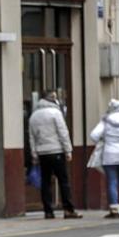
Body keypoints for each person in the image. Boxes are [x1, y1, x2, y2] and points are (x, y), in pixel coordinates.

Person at [27, 91, 81, 219]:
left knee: (45, 182)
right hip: (56, 151)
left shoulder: (34, 116)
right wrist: (68, 150)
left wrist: (34, 153)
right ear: (51, 100)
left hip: (42, 153)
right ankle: (68, 209)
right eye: (55, 97)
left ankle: (48, 211)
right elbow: (63, 132)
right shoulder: (56, 113)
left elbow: (31, 137)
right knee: (63, 180)